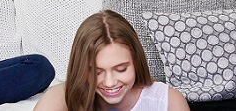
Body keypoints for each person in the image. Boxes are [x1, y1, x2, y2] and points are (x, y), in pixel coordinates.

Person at [33, 10, 189, 111]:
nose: (109, 82)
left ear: (136, 61)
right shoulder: (64, 97)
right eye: (96, 72)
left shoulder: (167, 101)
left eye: (121, 69)